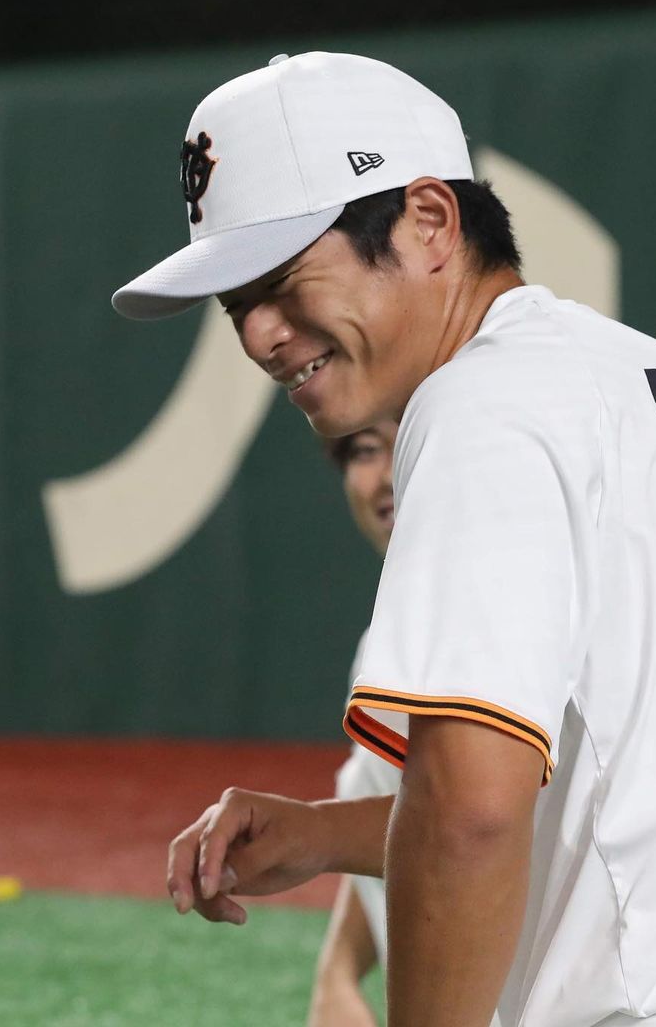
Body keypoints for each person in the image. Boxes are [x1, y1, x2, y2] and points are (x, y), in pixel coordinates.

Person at [113, 52, 656, 1026]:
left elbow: (471, 811)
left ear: (429, 222)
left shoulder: (483, 403)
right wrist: (322, 834)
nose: (259, 335)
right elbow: (639, 790)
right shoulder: (631, 372)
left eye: (282, 280)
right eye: (236, 305)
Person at [310, 423, 397, 1027]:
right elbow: (403, 815)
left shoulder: (519, 617)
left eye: (415, 435)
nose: (387, 474)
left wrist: (312, 834)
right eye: (365, 451)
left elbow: (467, 830)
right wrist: (337, 971)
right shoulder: (387, 639)